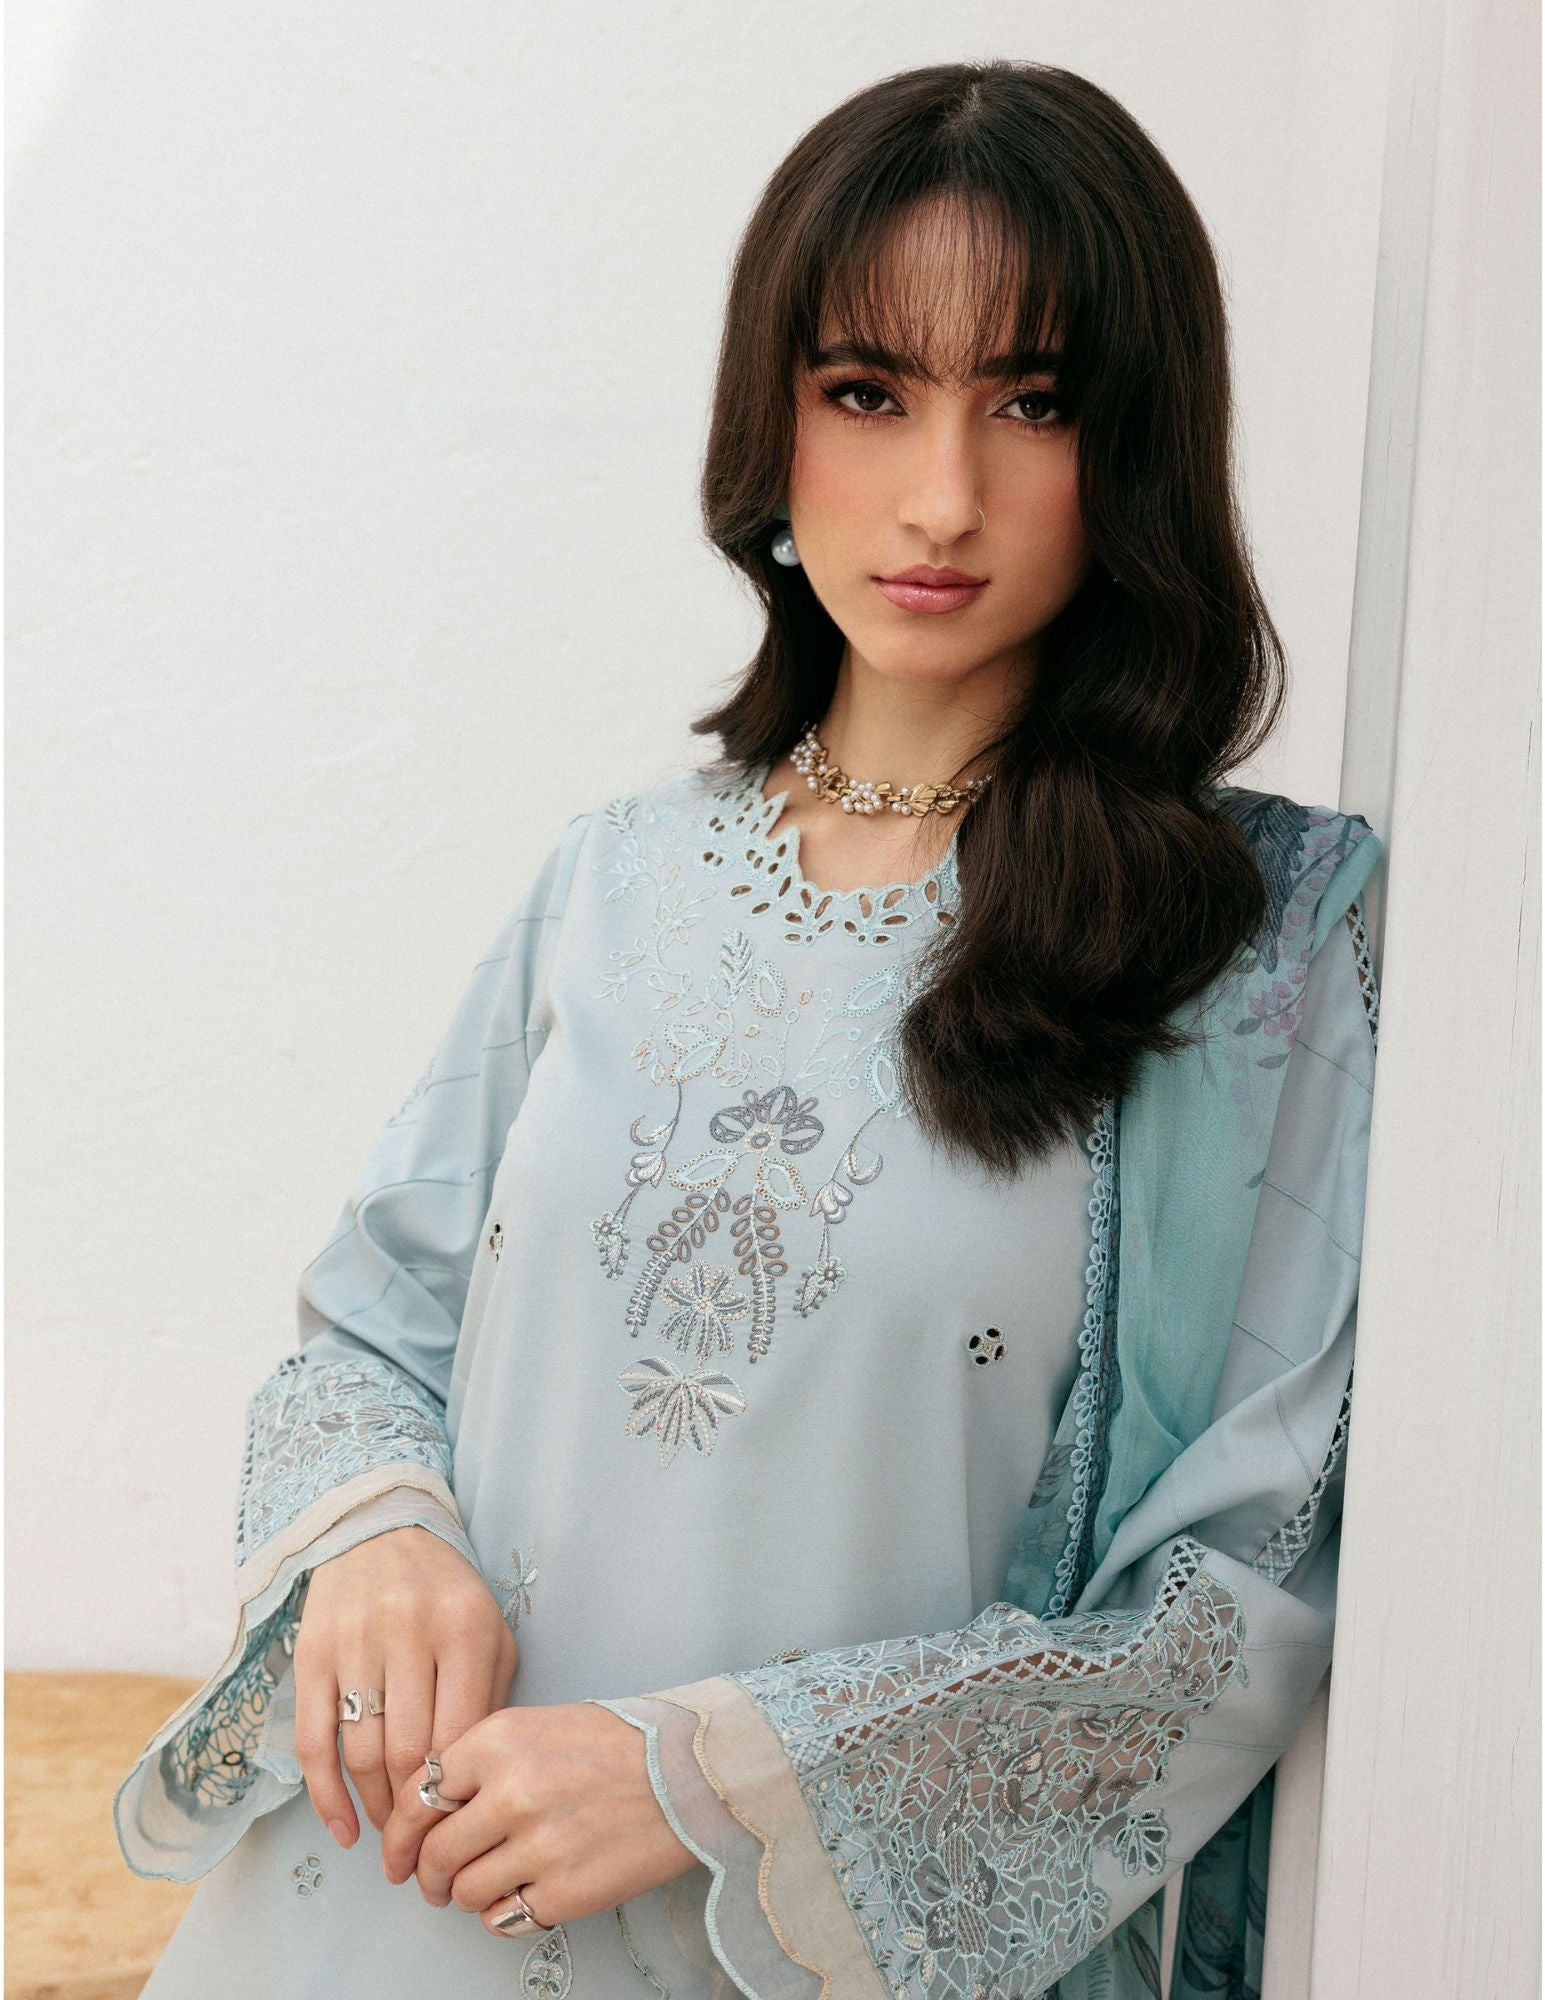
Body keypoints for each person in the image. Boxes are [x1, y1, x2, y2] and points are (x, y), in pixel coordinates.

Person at [114, 58, 1383, 2000]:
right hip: (371, 1917)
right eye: (866, 391)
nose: (940, 495)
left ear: (1135, 447)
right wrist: (375, 1542)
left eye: (1032, 402)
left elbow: (1229, 1604)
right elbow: (371, 1326)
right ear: (767, 423)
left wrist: (704, 1779)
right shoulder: (613, 879)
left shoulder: (1256, 946)